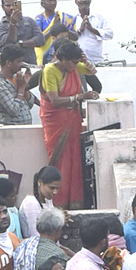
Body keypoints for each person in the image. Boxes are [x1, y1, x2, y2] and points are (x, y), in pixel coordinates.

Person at [39, 41, 98, 208]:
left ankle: (75, 202)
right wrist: (79, 97)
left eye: (76, 62)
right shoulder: (50, 70)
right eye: (72, 62)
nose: (74, 66)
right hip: (56, 121)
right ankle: (57, 203)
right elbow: (54, 100)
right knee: (60, 160)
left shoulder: (73, 66)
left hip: (72, 119)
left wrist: (85, 61)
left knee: (74, 160)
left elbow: (92, 71)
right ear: (62, 59)